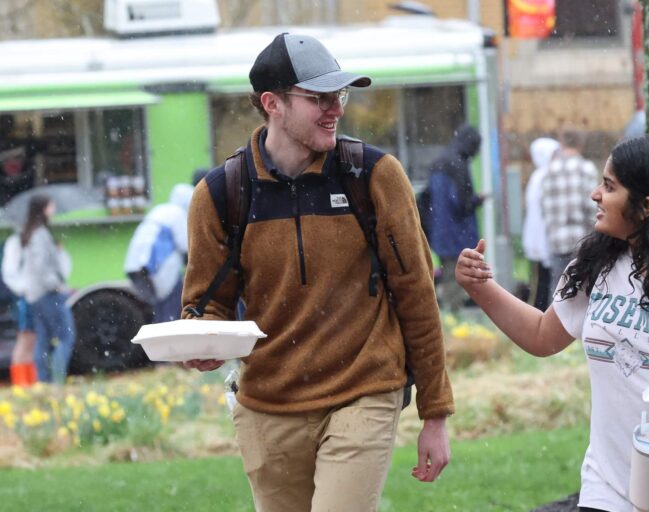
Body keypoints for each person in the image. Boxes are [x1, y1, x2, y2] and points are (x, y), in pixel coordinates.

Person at [181, 33, 454, 512]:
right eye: (319, 98)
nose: (336, 109)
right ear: (273, 104)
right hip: (267, 406)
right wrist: (200, 340)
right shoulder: (222, 193)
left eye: (340, 96)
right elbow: (206, 304)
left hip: (363, 391)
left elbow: (416, 293)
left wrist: (435, 413)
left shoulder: (373, 176)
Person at [455, 134, 649, 511]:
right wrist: (482, 287)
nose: (595, 194)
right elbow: (542, 336)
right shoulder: (596, 266)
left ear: (647, 206)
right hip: (610, 490)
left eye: (609, 186)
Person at [425, 124, 484, 314]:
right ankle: (453, 318)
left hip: (440, 233)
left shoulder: (439, 162)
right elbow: (461, 205)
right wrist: (477, 200)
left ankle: (449, 316)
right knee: (456, 278)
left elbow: (427, 200)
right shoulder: (458, 165)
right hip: (457, 235)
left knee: (447, 274)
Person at [20, 195, 76, 384]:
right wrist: (56, 285)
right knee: (66, 337)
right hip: (48, 293)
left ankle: (43, 381)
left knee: (43, 338)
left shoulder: (33, 233)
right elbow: (41, 266)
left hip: (37, 294)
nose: (54, 209)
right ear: (43, 209)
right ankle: (56, 380)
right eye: (51, 206)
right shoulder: (40, 234)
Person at [124, 183, 194, 323]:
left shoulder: (159, 210)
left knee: (159, 308)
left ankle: (158, 340)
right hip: (158, 266)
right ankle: (171, 341)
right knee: (171, 307)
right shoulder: (179, 214)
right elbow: (187, 247)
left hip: (135, 265)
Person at [540, 128, 597, 295]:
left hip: (556, 240)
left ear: (562, 143)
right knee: (583, 291)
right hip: (581, 241)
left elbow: (544, 207)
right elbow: (592, 208)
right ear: (580, 144)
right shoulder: (586, 168)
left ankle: (555, 321)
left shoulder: (548, 171)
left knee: (558, 290)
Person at [522, 137, 560, 311]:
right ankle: (538, 312)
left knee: (546, 279)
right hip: (541, 236)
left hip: (546, 235)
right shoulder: (542, 177)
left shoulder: (543, 176)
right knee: (541, 282)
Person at [1, 232, 37, 386]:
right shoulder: (15, 241)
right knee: (24, 338)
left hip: (23, 295)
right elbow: (10, 274)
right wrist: (24, 289)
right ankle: (22, 382)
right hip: (22, 296)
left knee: (28, 339)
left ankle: (28, 381)